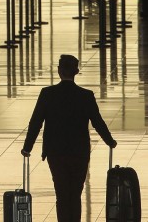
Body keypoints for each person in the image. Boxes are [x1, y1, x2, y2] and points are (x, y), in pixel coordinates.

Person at [21, 55, 116, 222]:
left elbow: (36, 122)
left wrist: (27, 147)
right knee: (75, 194)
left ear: (59, 71)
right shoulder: (85, 96)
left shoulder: (47, 94)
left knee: (62, 194)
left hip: (56, 153)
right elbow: (97, 122)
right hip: (79, 152)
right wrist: (110, 141)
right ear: (76, 72)